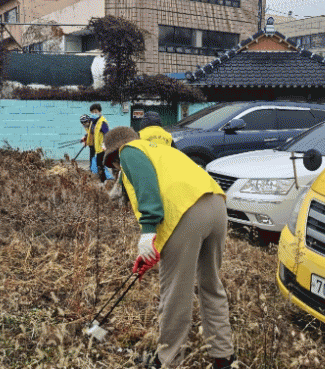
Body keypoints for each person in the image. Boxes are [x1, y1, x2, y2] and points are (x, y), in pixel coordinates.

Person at [102, 127, 235, 369]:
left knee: (176, 293)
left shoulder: (129, 151)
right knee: (211, 284)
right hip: (216, 206)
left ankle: (167, 360)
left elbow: (148, 189)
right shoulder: (162, 151)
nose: (116, 167)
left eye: (113, 163)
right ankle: (223, 357)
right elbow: (169, 190)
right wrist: (150, 251)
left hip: (187, 213)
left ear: (113, 156)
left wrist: (148, 230)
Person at [81, 104, 110, 182]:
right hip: (96, 147)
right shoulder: (94, 122)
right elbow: (91, 132)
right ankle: (100, 180)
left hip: (101, 148)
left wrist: (104, 144)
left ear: (100, 112)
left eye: (96, 111)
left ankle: (103, 182)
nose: (94, 113)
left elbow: (107, 134)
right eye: (92, 112)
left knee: (101, 166)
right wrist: (85, 137)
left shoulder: (102, 122)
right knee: (97, 165)